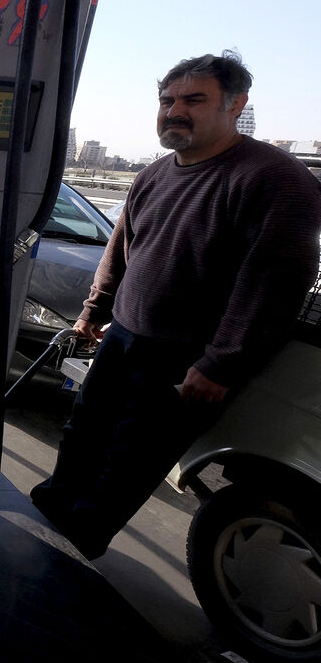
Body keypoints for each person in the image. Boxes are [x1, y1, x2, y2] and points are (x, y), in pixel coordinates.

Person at [30, 51, 321, 560]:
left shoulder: (276, 180)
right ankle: (49, 513)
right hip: (123, 334)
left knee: (131, 457)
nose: (174, 111)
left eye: (193, 100)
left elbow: (273, 285)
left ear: (236, 106)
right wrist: (94, 312)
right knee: (83, 432)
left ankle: (75, 548)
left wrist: (221, 363)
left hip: (186, 355)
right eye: (167, 100)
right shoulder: (156, 173)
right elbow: (121, 250)